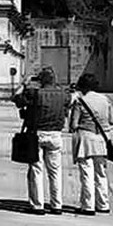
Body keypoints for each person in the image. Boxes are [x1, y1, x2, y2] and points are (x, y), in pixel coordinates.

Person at [20, 67, 70, 215]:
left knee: (36, 170)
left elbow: (16, 99)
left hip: (37, 134)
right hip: (55, 134)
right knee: (55, 171)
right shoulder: (63, 95)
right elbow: (71, 101)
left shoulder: (34, 93)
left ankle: (37, 205)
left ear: (41, 81)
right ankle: (57, 204)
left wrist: (24, 84)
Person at [69, 73, 113, 216]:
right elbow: (111, 120)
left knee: (86, 173)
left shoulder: (80, 102)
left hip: (85, 139)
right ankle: (103, 204)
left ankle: (88, 205)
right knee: (101, 173)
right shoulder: (105, 100)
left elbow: (73, 125)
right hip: (102, 138)